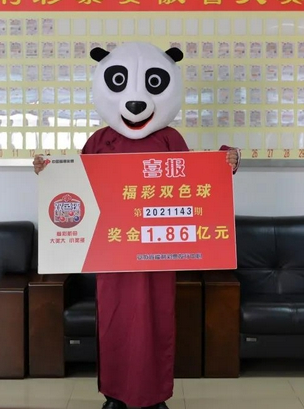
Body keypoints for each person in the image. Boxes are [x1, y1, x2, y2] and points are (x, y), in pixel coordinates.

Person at [34, 42, 239, 409]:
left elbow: (194, 185)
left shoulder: (170, 139)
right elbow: (76, 187)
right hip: (113, 254)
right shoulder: (99, 140)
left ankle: (155, 396)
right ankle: (115, 394)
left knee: (157, 321)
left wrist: (226, 162)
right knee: (114, 322)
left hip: (157, 252)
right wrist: (49, 173)